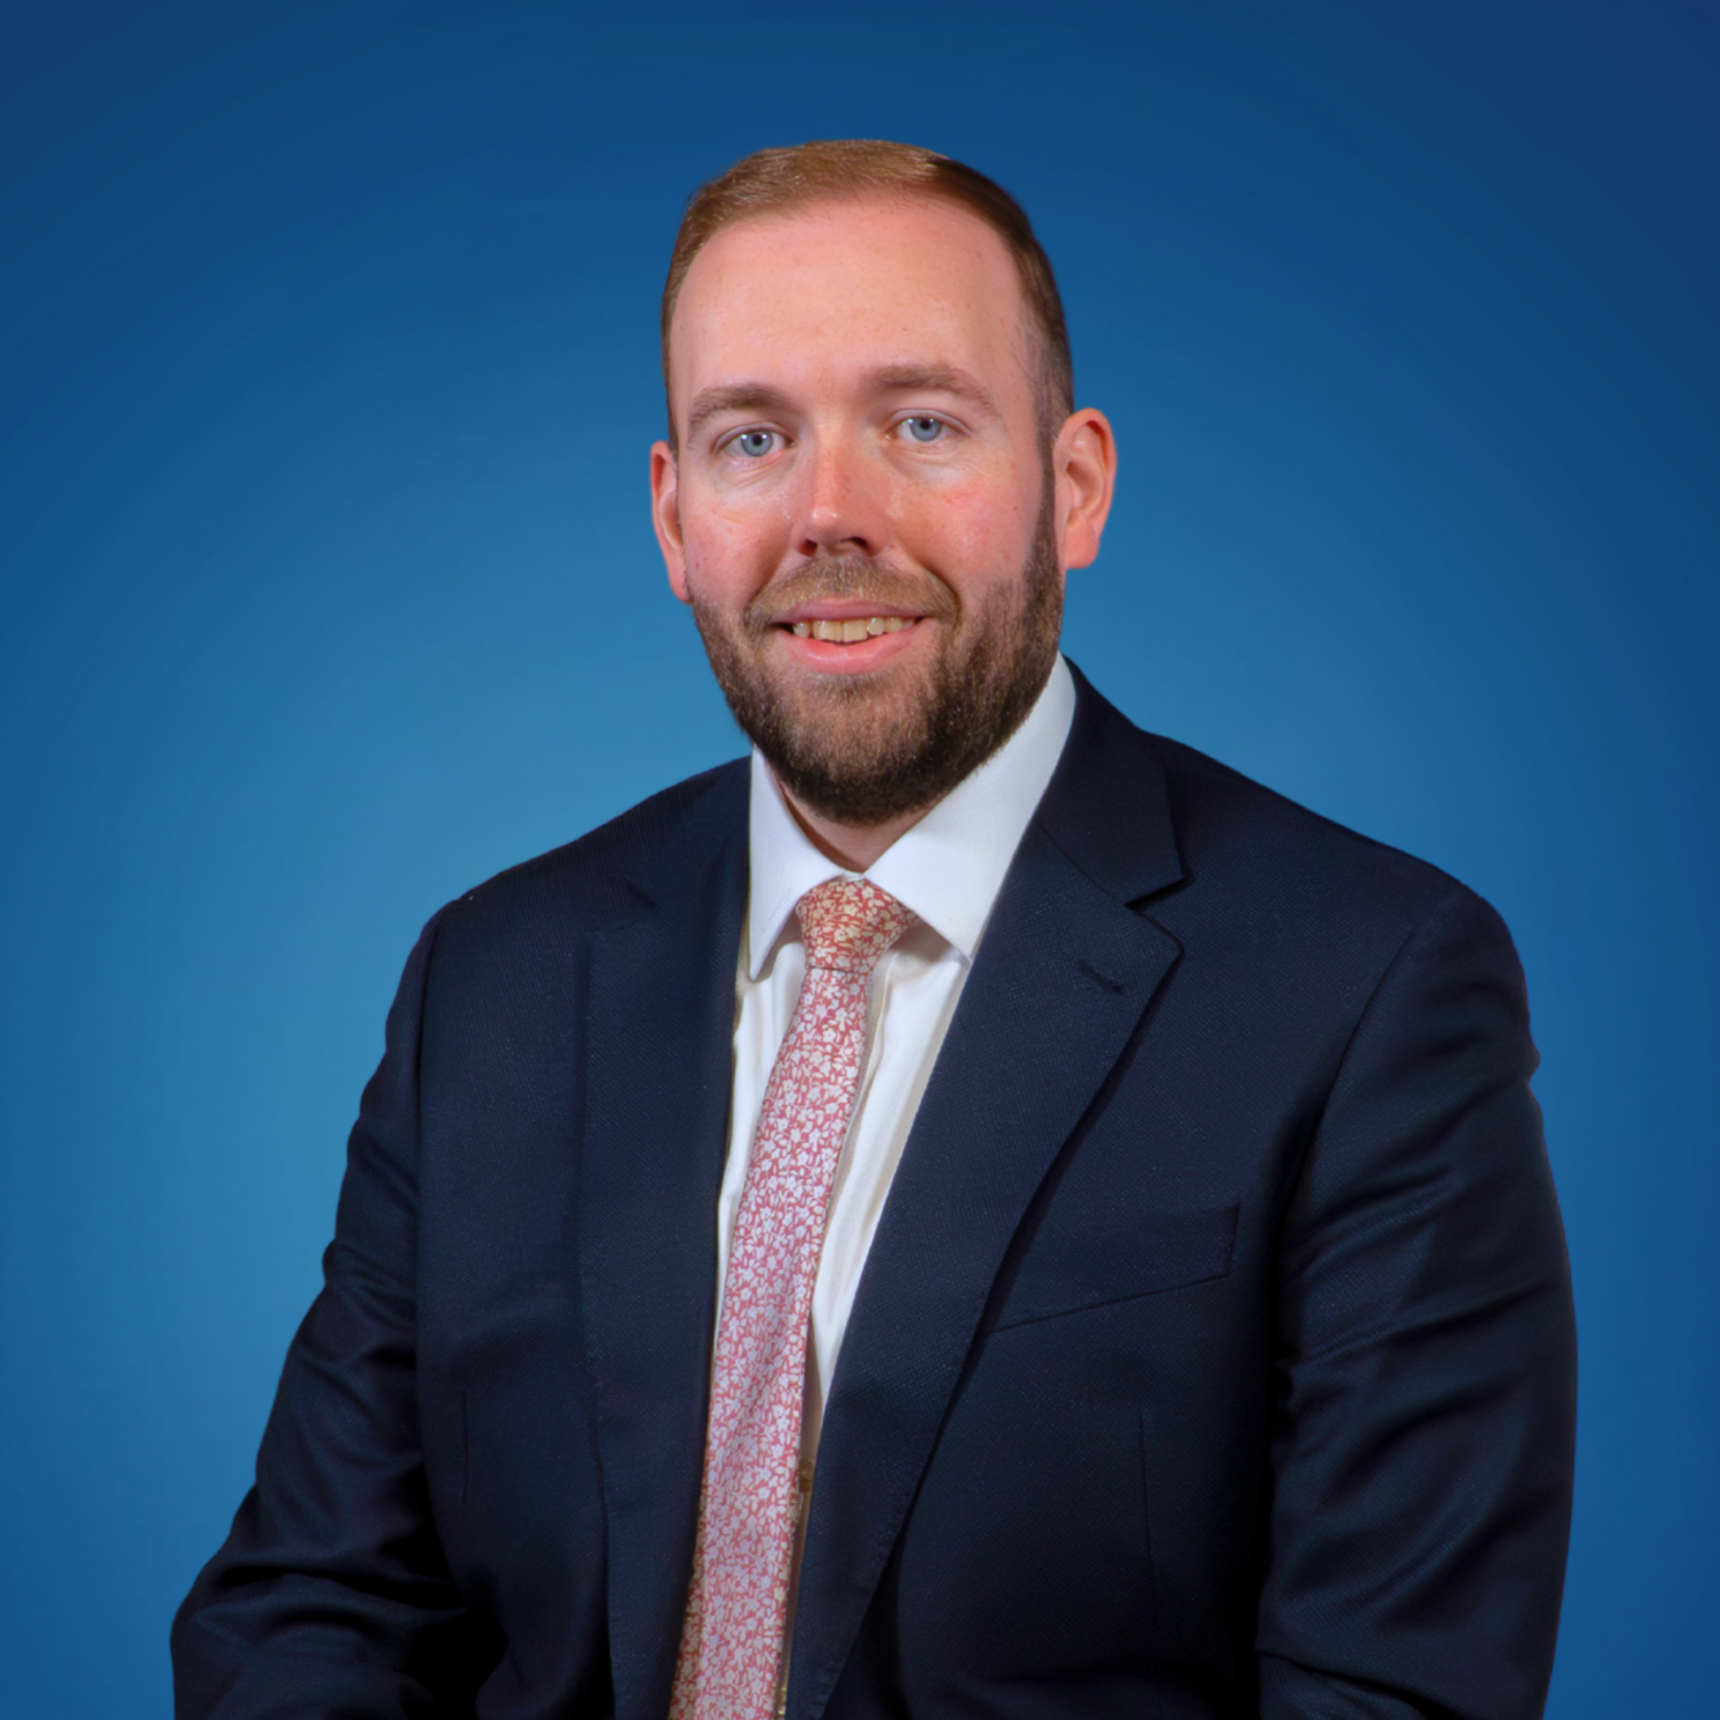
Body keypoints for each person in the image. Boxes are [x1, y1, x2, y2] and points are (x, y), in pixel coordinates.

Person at [173, 141, 1576, 1720]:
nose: (831, 514)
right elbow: (310, 1613)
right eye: (754, 436)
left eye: (920, 423)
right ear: (674, 518)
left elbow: (1393, 1695)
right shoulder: (489, 984)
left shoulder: (1370, 988)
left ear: (1076, 486)